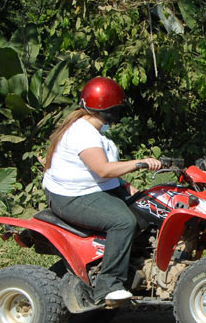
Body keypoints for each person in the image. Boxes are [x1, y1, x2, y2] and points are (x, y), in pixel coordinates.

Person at [42, 76, 161, 304]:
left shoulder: (95, 133)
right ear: (108, 108)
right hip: (70, 197)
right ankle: (108, 285)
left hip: (92, 189)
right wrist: (141, 162)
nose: (119, 114)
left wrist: (138, 195)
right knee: (123, 221)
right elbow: (104, 170)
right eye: (117, 109)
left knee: (149, 210)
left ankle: (136, 267)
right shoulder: (82, 133)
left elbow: (105, 177)